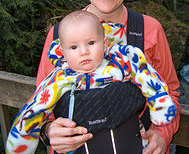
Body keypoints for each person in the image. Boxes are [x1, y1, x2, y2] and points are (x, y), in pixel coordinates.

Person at [36, 0, 180, 154]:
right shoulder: (59, 34)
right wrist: (48, 130)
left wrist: (162, 134)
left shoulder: (149, 30)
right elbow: (42, 104)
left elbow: (171, 93)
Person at [6, 11, 176, 154]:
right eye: (74, 47)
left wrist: (161, 108)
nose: (84, 52)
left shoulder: (119, 63)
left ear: (105, 43)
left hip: (132, 144)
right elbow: (34, 109)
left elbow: (147, 77)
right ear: (62, 52)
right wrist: (23, 143)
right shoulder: (59, 79)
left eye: (91, 43)